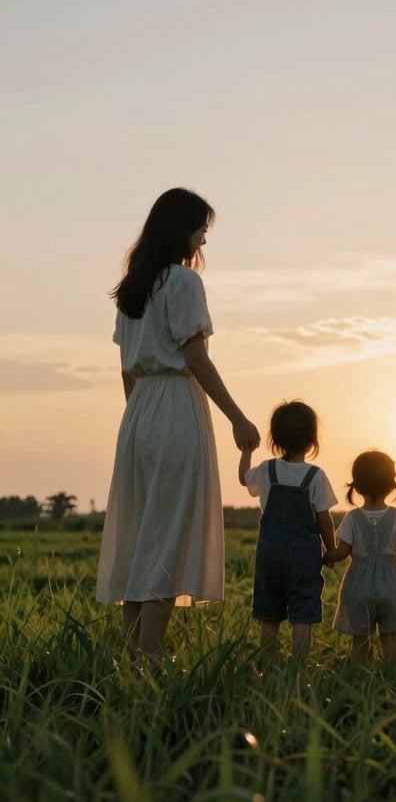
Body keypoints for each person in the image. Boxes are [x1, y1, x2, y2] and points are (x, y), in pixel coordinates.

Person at [96, 188, 260, 663]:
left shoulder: (132, 288)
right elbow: (195, 358)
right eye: (200, 232)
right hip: (173, 407)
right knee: (168, 531)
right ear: (180, 231)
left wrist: (136, 420)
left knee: (141, 531)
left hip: (138, 413)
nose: (201, 244)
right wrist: (238, 416)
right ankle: (150, 653)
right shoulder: (183, 283)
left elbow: (127, 368)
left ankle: (134, 652)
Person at [239, 400, 337, 658]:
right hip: (304, 555)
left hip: (269, 554)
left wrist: (246, 451)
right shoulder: (315, 476)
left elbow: (243, 478)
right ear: (312, 441)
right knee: (303, 612)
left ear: (276, 440)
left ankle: (268, 664)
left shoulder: (266, 470)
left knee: (269, 613)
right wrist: (331, 549)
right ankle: (298, 667)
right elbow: (324, 518)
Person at [325, 450, 396, 665]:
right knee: (390, 636)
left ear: (356, 486)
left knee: (359, 638)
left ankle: (358, 675)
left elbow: (342, 551)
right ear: (391, 484)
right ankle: (392, 675)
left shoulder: (352, 517)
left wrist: (326, 556)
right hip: (392, 584)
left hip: (359, 583)